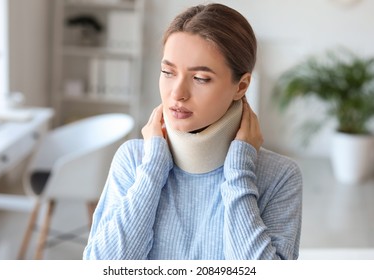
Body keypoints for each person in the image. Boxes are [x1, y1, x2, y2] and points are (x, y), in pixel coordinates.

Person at [83, 3, 302, 260]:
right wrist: (152, 168)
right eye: (167, 72)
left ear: (241, 86)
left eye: (200, 78)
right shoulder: (133, 160)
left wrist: (240, 172)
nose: (177, 93)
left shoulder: (280, 177)